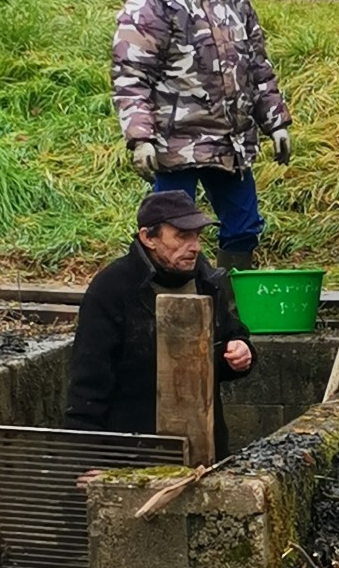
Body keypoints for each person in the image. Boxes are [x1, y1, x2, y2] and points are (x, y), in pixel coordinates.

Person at [111, 0, 293, 272]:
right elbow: (131, 73)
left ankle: (229, 311)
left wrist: (275, 122)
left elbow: (256, 62)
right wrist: (139, 137)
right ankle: (166, 303)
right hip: (174, 142)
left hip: (231, 141)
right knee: (170, 234)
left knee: (244, 228)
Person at [65, 190, 255, 459]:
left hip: (204, 448)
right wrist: (86, 460)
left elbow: (229, 338)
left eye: (197, 236)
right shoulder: (112, 288)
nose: (195, 246)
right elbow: (88, 382)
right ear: (148, 238)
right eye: (182, 236)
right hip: (131, 451)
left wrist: (241, 352)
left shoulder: (206, 280)